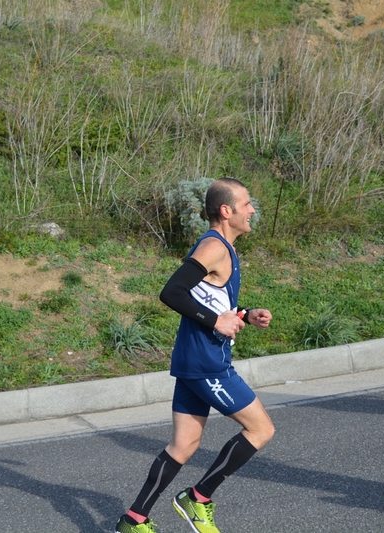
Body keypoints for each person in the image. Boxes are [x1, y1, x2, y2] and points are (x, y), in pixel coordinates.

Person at [114, 178, 275, 533]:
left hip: (192, 360)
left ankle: (133, 520)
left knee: (184, 444)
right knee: (261, 429)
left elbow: (207, 300)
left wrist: (244, 314)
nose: (252, 210)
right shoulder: (215, 247)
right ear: (226, 210)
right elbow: (172, 291)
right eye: (246, 204)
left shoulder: (222, 247)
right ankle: (199, 498)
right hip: (206, 364)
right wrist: (217, 321)